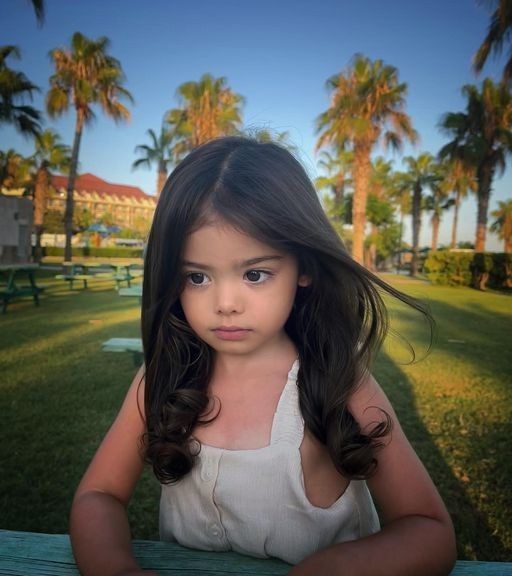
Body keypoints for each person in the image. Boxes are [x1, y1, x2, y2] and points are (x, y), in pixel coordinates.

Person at [70, 136, 456, 576]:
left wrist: (333, 567)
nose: (225, 303)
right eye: (197, 277)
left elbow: (429, 529)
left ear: (304, 267)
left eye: (255, 274)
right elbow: (98, 495)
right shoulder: (161, 378)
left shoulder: (340, 382)